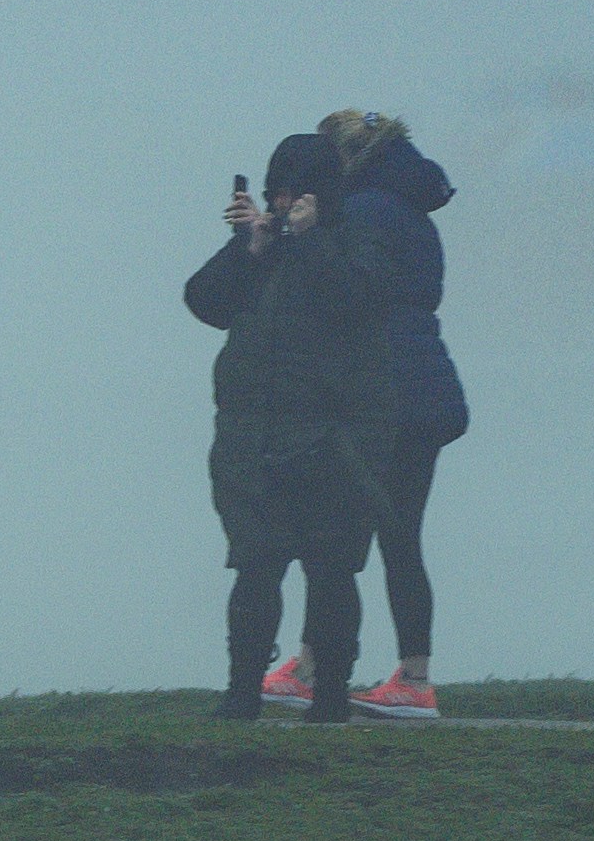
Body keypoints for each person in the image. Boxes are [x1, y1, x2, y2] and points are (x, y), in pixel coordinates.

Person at [179, 127, 398, 720]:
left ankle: (329, 698)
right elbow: (203, 301)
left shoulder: (358, 239)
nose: (282, 201)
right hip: (251, 439)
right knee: (254, 568)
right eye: (276, 190)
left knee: (331, 572)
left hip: (336, 438)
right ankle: (241, 693)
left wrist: (308, 242)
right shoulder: (263, 246)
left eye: (295, 192)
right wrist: (246, 248)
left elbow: (361, 298)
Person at [314, 108, 471, 717]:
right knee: (401, 535)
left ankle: (316, 668)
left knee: (338, 530)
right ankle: (414, 675)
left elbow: (344, 295)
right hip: (426, 386)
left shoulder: (358, 213)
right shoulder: (409, 213)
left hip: (380, 390)